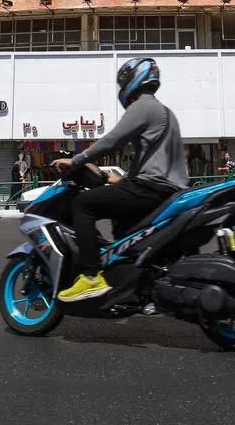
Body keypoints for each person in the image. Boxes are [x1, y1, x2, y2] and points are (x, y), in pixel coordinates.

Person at [51, 57, 188, 302]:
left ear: (131, 80)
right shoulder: (167, 113)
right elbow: (154, 159)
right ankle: (133, 282)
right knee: (122, 226)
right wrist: (119, 180)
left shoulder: (143, 106)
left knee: (83, 204)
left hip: (150, 190)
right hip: (169, 192)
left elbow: (111, 140)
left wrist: (76, 161)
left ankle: (91, 277)